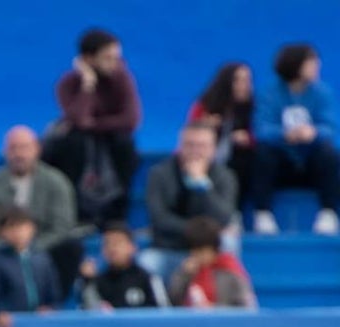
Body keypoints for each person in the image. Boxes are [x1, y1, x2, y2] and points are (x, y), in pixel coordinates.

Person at [0, 125, 83, 298]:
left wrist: (32, 247)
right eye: (13, 148)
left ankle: (54, 303)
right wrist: (7, 248)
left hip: (42, 246)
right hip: (1, 250)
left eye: (24, 148)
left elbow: (62, 227)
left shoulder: (56, 182)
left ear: (37, 149)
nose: (19, 154)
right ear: (5, 152)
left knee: (70, 248)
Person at [43, 28, 141, 226]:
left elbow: (131, 119)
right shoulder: (68, 83)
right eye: (108, 58)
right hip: (80, 140)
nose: (115, 63)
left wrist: (94, 125)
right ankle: (76, 212)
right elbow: (79, 118)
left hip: (111, 137)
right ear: (88, 59)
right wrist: (88, 84)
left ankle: (116, 214)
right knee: (71, 141)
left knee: (124, 143)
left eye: (117, 57)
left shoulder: (122, 78)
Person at [252, 43, 339, 235]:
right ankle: (263, 213)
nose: (317, 66)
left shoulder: (322, 92)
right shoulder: (270, 92)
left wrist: (313, 133)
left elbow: (330, 128)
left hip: (310, 161)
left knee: (329, 153)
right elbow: (261, 128)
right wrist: (284, 135)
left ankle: (328, 212)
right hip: (281, 160)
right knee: (263, 153)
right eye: (312, 62)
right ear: (296, 65)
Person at [138, 122, 238, 284]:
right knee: (147, 262)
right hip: (170, 248)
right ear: (180, 146)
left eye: (202, 146)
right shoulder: (159, 174)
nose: (196, 152)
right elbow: (159, 218)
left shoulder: (225, 177)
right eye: (190, 145)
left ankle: (225, 303)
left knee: (229, 241)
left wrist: (202, 185)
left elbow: (224, 218)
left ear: (213, 149)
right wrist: (196, 231)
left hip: (209, 250)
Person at [0, 206, 59, 327]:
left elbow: (53, 293)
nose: (18, 232)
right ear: (1, 232)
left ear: (33, 228)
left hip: (40, 325)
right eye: (11, 227)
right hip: (10, 326)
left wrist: (50, 308)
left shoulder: (42, 258)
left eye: (22, 226)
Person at [188, 62, 255, 204]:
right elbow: (190, 132)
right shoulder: (205, 105)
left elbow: (259, 133)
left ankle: (236, 211)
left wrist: (247, 138)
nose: (245, 85)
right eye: (239, 80)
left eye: (248, 80)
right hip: (206, 157)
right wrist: (205, 126)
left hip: (238, 159)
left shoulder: (254, 107)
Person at [168, 216, 257, 308]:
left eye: (202, 251)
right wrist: (185, 275)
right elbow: (174, 300)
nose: (198, 256)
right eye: (194, 252)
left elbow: (245, 303)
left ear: (214, 249)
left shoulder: (229, 271)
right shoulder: (187, 271)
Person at [79, 222, 168, 309]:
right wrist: (87, 282)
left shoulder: (148, 279)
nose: (112, 248)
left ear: (132, 247)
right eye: (108, 243)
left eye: (118, 243)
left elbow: (164, 313)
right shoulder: (98, 282)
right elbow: (89, 313)